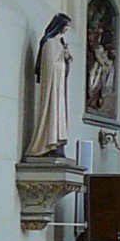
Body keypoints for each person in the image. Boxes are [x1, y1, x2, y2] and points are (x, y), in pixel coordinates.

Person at [24, 14, 73, 159]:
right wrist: (62, 59)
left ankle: (57, 143)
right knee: (52, 112)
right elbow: (49, 67)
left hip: (59, 88)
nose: (68, 28)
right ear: (60, 25)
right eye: (66, 25)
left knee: (60, 114)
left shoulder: (59, 43)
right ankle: (48, 143)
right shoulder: (50, 43)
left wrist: (66, 59)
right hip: (52, 87)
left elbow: (62, 67)